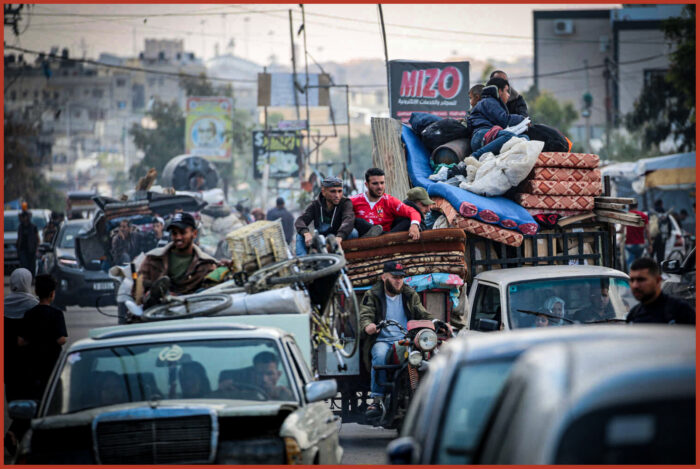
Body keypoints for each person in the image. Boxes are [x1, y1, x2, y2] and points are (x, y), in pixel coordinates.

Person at [359, 261, 434, 417]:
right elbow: (365, 315)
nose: (398, 281)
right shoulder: (373, 295)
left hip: (406, 339)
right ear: (383, 277)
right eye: (394, 277)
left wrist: (436, 323)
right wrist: (369, 326)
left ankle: (423, 397)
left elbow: (422, 313)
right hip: (382, 341)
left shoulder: (410, 294)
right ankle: (376, 400)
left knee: (424, 359)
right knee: (379, 357)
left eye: (401, 277)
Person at [135, 212, 219, 308]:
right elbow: (139, 288)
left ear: (194, 234)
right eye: (174, 233)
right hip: (157, 312)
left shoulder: (206, 264)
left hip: (190, 312)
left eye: (183, 233)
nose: (178, 237)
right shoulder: (153, 258)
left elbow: (212, 292)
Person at [4, 268, 39, 455]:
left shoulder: (3, 306)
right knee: (31, 403)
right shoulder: (34, 305)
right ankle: (16, 434)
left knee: (14, 402)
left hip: (8, 363)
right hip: (29, 363)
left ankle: (16, 436)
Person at [18, 275, 68, 401]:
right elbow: (61, 339)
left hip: (33, 363)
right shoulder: (57, 314)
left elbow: (21, 341)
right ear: (52, 294)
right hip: (52, 363)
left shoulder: (29, 313)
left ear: (36, 292)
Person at [467, 77, 529, 159]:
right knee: (510, 136)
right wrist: (523, 119)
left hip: (489, 136)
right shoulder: (489, 101)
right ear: (500, 91)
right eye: (506, 91)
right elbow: (504, 120)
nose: (509, 95)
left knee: (524, 138)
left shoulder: (492, 102)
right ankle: (474, 157)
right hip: (481, 136)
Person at [351, 168, 422, 240]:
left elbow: (413, 211)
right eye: (375, 183)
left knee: (408, 220)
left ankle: (385, 236)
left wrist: (414, 225)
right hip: (363, 237)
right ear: (367, 185)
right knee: (356, 221)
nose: (380, 187)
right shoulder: (354, 200)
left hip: (387, 237)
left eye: (382, 183)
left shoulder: (390, 201)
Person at [295, 176, 357, 256]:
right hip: (321, 239)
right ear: (324, 192)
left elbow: (348, 219)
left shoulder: (345, 203)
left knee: (353, 232)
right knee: (300, 234)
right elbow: (300, 220)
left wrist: (339, 237)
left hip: (338, 237)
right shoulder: (315, 205)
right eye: (333, 191)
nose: (337, 195)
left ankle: (346, 256)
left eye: (340, 191)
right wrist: (306, 233)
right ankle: (302, 261)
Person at [626, 257, 695, 324]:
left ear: (658, 280)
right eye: (632, 280)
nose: (635, 285)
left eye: (641, 280)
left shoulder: (681, 311)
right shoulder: (633, 316)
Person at [217, 351, 294, 401]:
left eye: (269, 374)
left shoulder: (285, 394)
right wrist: (221, 391)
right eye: (259, 374)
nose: (264, 379)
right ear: (253, 374)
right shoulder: (240, 394)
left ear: (278, 375)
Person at [625, 202, 649, 271]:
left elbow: (621, 230)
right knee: (639, 263)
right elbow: (647, 230)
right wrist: (650, 244)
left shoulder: (626, 215)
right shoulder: (643, 216)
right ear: (637, 206)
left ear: (629, 206)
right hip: (640, 244)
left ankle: (631, 278)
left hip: (630, 244)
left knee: (630, 263)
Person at [16, 210, 39, 276]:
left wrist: (36, 249)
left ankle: (32, 278)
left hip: (31, 250)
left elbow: (37, 239)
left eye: (24, 217)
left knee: (31, 266)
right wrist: (18, 248)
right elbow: (19, 238)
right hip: (23, 249)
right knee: (24, 266)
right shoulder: (20, 227)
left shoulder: (33, 227)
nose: (23, 218)